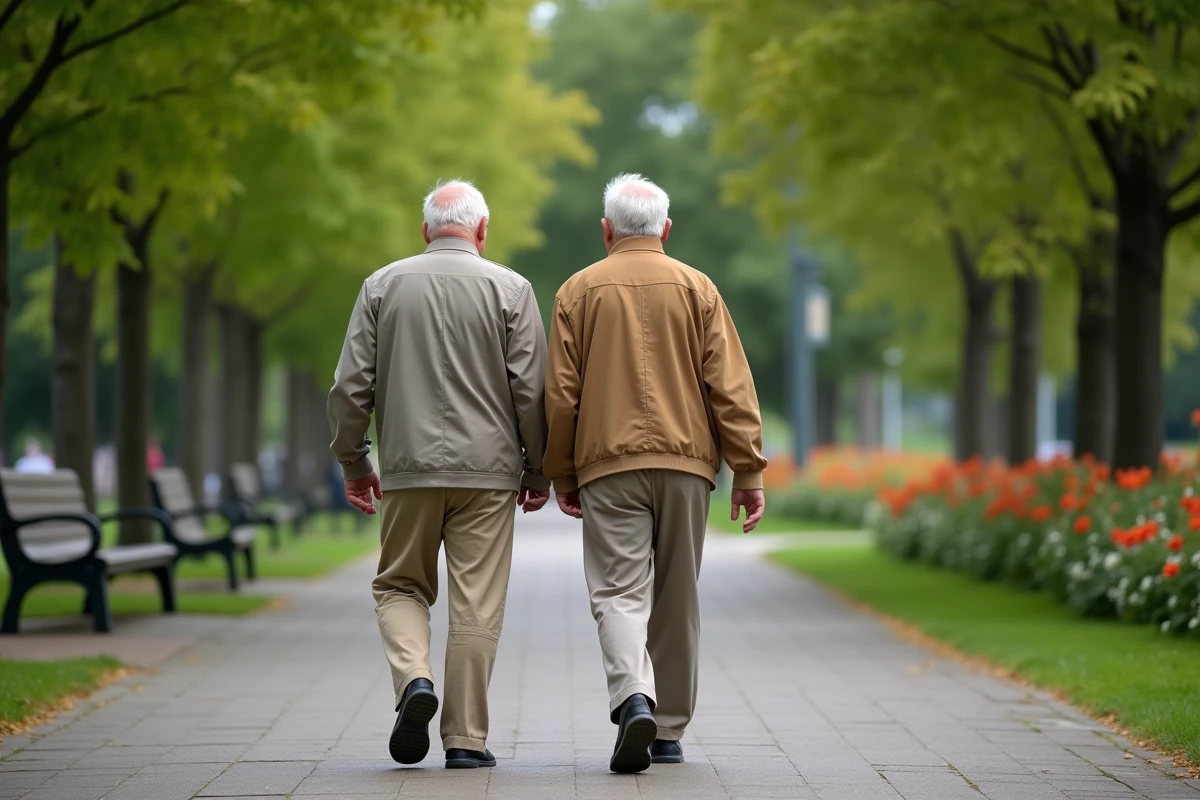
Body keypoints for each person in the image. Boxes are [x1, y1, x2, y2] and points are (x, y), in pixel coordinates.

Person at [544, 173, 768, 774]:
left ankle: (631, 697)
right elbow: (731, 387)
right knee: (676, 595)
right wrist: (747, 470)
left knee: (617, 591)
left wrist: (561, 472)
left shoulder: (577, 291)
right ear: (666, 229)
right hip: (687, 465)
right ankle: (667, 730)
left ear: (607, 229)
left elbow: (561, 395)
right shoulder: (699, 289)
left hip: (607, 465)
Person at [328, 180, 551, 770]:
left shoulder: (382, 285)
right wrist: (539, 468)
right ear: (482, 230)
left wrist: (355, 461)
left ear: (426, 230)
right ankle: (466, 742)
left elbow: (351, 387)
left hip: (407, 469)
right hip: (490, 474)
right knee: (477, 603)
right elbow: (532, 391)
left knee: (400, 586)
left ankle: (414, 681)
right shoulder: (512, 289)